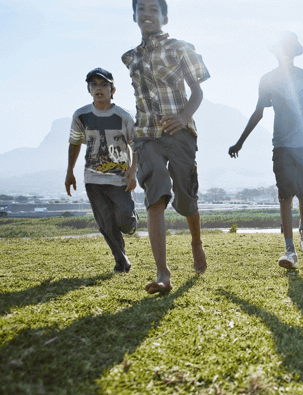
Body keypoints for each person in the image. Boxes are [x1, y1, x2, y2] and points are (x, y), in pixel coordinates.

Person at [122, 0, 210, 293]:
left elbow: (197, 90)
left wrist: (184, 117)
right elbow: (139, 103)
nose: (147, 14)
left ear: (165, 17)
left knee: (186, 197)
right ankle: (163, 273)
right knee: (156, 191)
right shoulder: (130, 58)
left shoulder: (179, 48)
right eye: (141, 9)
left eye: (153, 9)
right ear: (134, 16)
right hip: (146, 135)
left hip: (179, 132)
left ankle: (196, 242)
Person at [229, 31, 303, 270]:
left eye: (289, 49)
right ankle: (289, 250)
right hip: (282, 145)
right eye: (281, 49)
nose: (285, 53)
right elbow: (258, 112)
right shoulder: (268, 80)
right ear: (275, 52)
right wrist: (240, 141)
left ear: (295, 52)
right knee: (285, 195)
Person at [65, 68, 138, 273]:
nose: (99, 89)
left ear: (112, 89)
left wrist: (133, 172)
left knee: (124, 220)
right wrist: (70, 171)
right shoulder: (81, 115)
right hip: (93, 179)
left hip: (120, 180)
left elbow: (136, 145)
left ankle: (131, 221)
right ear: (89, 89)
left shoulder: (123, 116)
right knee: (106, 223)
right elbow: (74, 143)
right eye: (94, 85)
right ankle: (121, 262)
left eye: (103, 85)